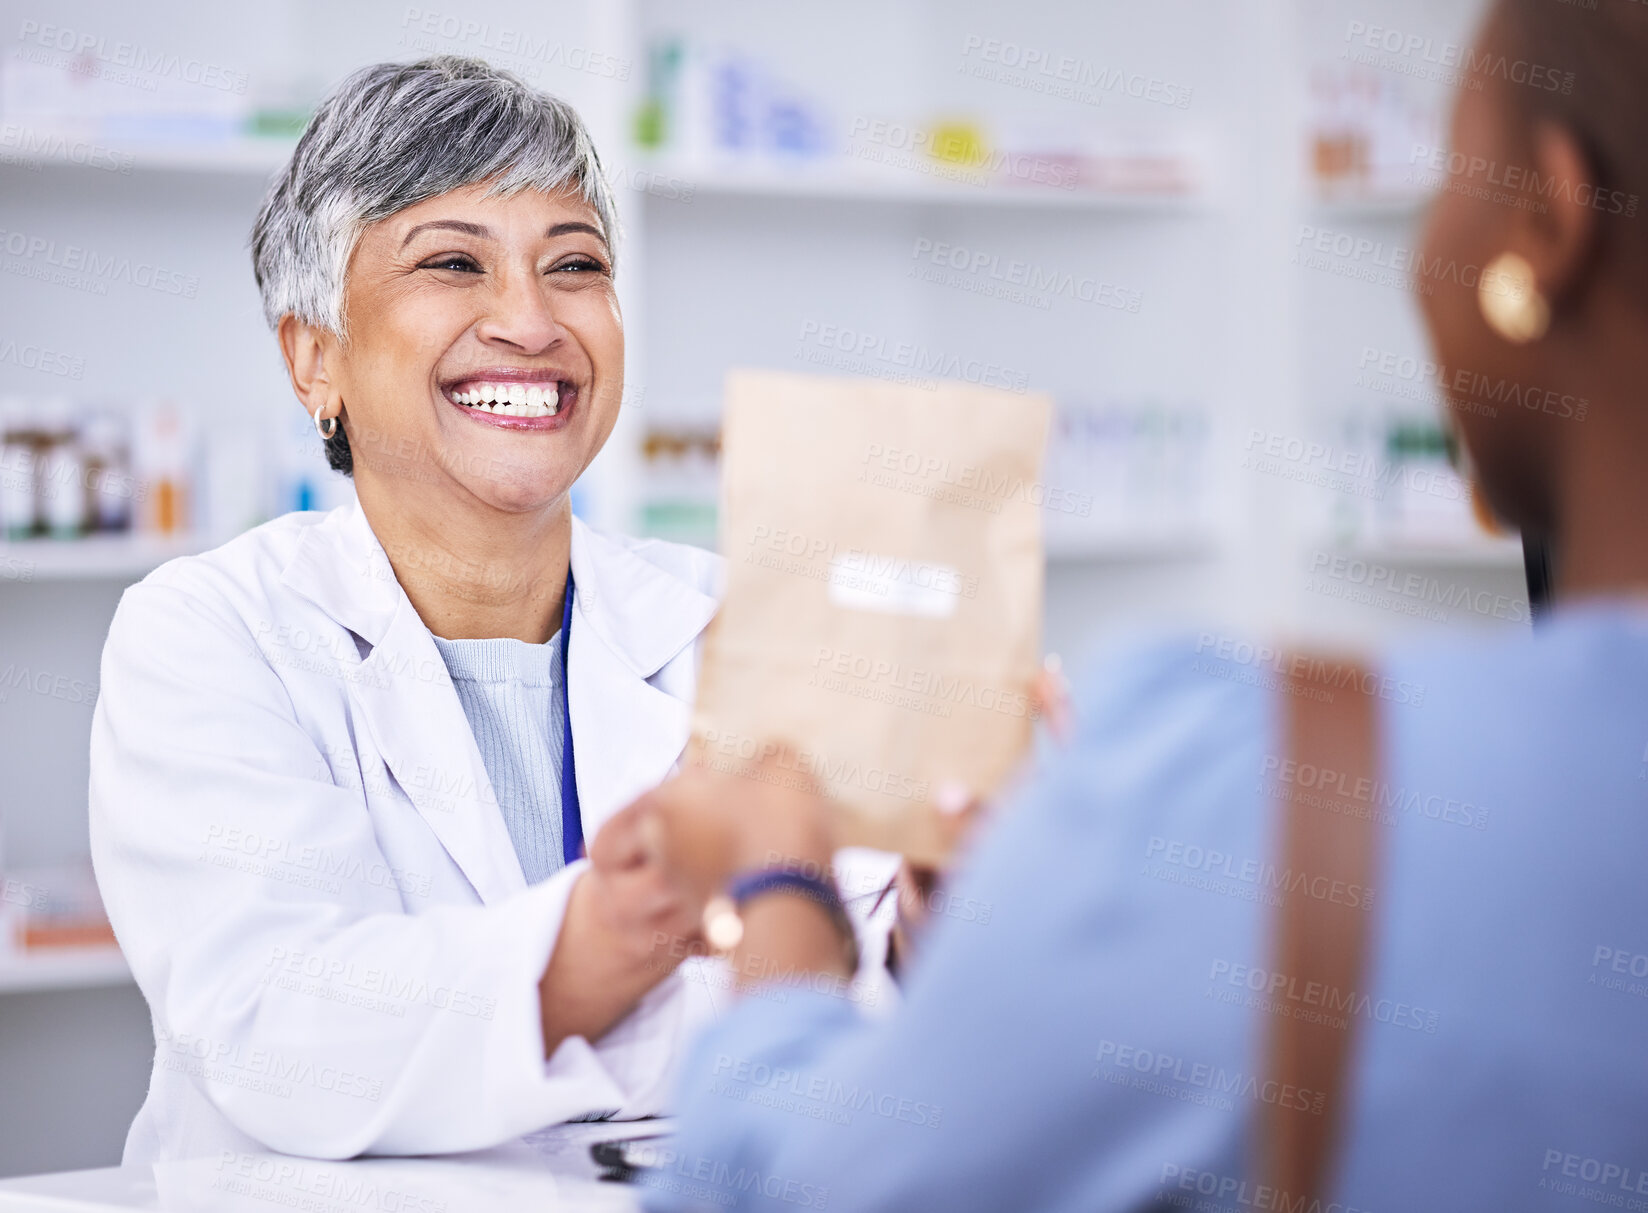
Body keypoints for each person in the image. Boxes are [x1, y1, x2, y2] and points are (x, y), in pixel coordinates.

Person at [623, 1, 1648, 1208]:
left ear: (1550, 216)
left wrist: (784, 897)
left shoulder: (1257, 787)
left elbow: (811, 1188)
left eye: (1449, 181)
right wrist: (1032, 968)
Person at [86, 57, 840, 1165]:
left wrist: (944, 905)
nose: (530, 323)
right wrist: (610, 937)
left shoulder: (734, 621)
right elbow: (287, 1030)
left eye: (574, 265)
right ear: (314, 357)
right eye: (452, 261)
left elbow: (838, 998)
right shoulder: (208, 633)